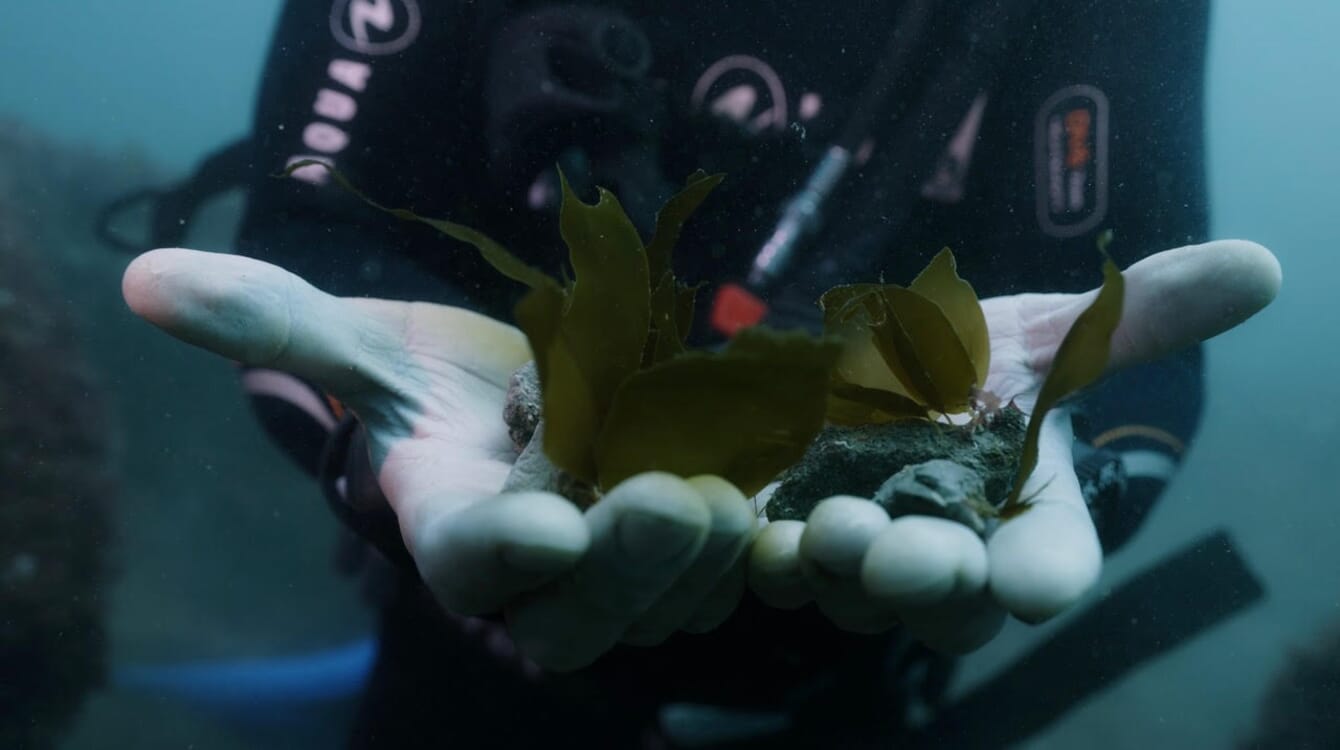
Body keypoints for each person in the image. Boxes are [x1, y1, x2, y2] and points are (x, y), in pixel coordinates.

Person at [120, 0, 1281, 746]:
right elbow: (310, 222)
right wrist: (376, 434)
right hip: (461, 650)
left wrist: (1064, 456)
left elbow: (1131, 340)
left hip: (833, 688)